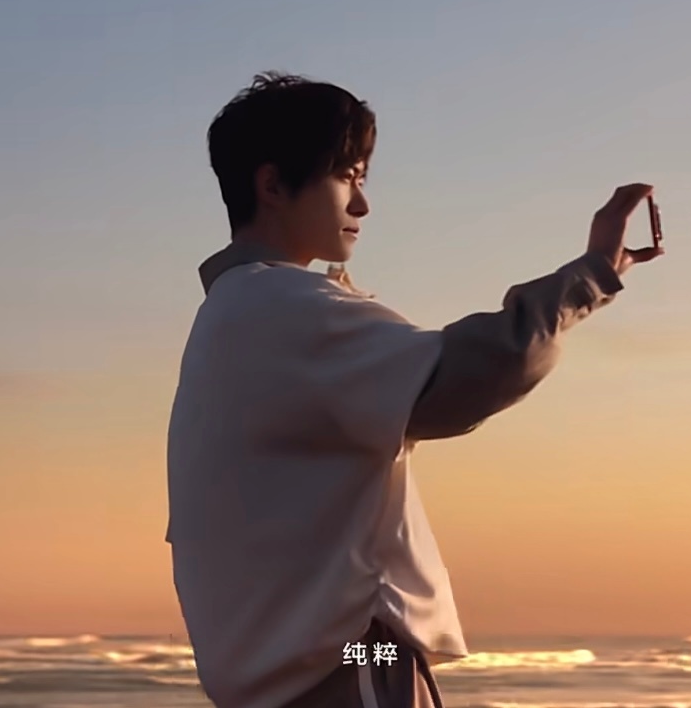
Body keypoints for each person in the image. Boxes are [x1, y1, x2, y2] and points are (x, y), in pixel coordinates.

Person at [165, 71, 664, 708]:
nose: (362, 204)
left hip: (288, 676)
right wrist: (591, 276)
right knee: (390, 654)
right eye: (347, 176)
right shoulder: (282, 306)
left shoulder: (228, 316)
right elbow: (468, 374)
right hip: (351, 662)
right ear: (273, 185)